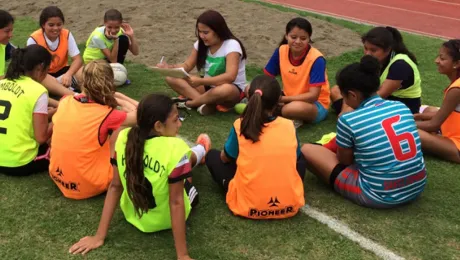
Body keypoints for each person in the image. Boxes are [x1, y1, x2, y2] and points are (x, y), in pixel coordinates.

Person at [69, 94, 211, 260]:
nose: (179, 123)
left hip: (134, 216)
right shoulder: (175, 148)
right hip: (164, 220)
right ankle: (202, 149)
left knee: (180, 163)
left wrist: (99, 236)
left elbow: (115, 186)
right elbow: (177, 202)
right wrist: (183, 255)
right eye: (175, 119)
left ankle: (198, 153)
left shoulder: (123, 137)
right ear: (158, 126)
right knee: (187, 169)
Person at [302, 55, 426, 208]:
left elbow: (344, 162)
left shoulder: (349, 120)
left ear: (352, 95)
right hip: (417, 185)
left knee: (307, 150)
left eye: (343, 94)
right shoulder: (400, 107)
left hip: (379, 194)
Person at [205, 75, 305, 219]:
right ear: (278, 100)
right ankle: (282, 190)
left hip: (248, 207)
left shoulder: (240, 125)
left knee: (212, 156)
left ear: (249, 97)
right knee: (301, 159)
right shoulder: (288, 125)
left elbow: (225, 158)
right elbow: (295, 158)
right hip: (290, 206)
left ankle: (246, 191)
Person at [49, 61, 136, 199]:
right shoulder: (107, 114)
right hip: (89, 185)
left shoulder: (65, 100)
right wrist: (121, 98)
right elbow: (141, 114)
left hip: (57, 175)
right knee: (124, 128)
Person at [158, 10, 247, 115]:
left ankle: (191, 103)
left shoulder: (232, 45)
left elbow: (230, 77)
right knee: (170, 77)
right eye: (199, 32)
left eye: (205, 32)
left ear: (218, 30)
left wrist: (201, 81)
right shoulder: (200, 44)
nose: (201, 36)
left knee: (224, 89)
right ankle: (205, 103)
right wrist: (169, 68)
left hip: (231, 91)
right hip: (207, 87)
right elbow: (187, 65)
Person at [331, 26, 422, 115]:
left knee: (351, 102)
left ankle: (354, 116)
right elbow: (355, 84)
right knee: (337, 90)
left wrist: (347, 111)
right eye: (366, 48)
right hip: (381, 102)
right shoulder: (373, 60)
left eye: (373, 50)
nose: (367, 54)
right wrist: (345, 109)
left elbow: (380, 95)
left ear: (388, 49)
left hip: (400, 108)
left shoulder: (400, 65)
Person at [263, 17, 330, 127]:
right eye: (293, 37)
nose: (298, 42)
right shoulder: (281, 50)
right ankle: (281, 113)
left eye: (303, 38)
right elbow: (267, 78)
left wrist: (282, 99)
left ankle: (277, 112)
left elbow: (313, 96)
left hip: (315, 104)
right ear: (286, 36)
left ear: (309, 39)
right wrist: (269, 93)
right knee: (252, 88)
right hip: (287, 97)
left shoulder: (317, 59)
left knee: (291, 109)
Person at [0, 45, 53, 176]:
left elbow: (20, 115)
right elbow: (41, 137)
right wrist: (59, 115)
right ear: (40, 68)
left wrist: (53, 111)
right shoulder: (38, 91)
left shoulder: (2, 83)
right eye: (48, 69)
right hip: (19, 162)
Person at [416, 39, 460, 163]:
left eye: (442, 58)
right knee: (428, 110)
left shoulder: (457, 89)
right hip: (450, 132)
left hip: (456, 146)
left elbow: (433, 125)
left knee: (414, 132)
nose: (436, 61)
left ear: (456, 64)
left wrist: (402, 124)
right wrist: (418, 116)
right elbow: (448, 113)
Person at [28, 6, 83, 92]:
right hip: (45, 74)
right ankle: (73, 95)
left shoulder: (66, 34)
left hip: (63, 71)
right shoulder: (34, 39)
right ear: (43, 25)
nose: (56, 28)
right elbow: (32, 68)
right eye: (51, 25)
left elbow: (78, 59)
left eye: (59, 24)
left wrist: (68, 74)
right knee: (44, 79)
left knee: (83, 71)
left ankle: (85, 92)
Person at [0, 10, 14, 79]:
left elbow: (21, 56)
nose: (11, 35)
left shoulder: (4, 45)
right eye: (7, 31)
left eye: (11, 30)